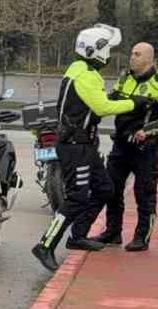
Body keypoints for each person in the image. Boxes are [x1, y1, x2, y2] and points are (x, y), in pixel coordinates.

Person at [31, 24, 147, 272]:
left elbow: (94, 101)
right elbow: (101, 107)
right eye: (107, 49)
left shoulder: (78, 68)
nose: (109, 55)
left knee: (105, 188)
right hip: (76, 146)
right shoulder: (86, 74)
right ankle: (45, 245)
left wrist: (117, 98)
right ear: (96, 50)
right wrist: (133, 104)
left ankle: (78, 235)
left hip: (83, 144)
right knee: (77, 196)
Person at [95, 42, 158, 252]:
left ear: (149, 59)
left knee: (145, 193)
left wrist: (147, 130)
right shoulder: (125, 78)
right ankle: (113, 232)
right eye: (131, 53)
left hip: (145, 148)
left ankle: (142, 237)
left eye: (137, 54)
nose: (132, 57)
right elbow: (111, 100)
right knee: (111, 189)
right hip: (120, 145)